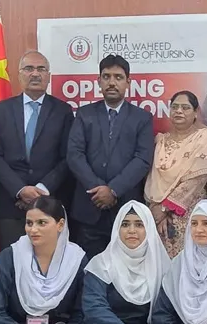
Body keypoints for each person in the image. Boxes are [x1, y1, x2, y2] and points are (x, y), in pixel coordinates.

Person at [67, 54, 155, 256]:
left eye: (118, 77)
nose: (112, 82)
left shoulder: (142, 118)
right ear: (99, 81)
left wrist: (113, 190)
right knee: (89, 268)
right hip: (89, 207)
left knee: (126, 267)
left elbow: (142, 159)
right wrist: (98, 189)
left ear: (128, 82)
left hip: (126, 209)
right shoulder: (84, 114)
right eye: (106, 77)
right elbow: (74, 154)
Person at [0, 50, 75, 247]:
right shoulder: (2, 110)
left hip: (49, 203)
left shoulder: (63, 111)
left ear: (48, 76)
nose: (35, 74)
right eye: (29, 68)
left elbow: (67, 157)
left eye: (41, 69)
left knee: (48, 261)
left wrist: (42, 188)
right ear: (19, 75)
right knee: (13, 261)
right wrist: (19, 189)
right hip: (10, 204)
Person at [145, 90, 207, 257]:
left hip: (189, 214)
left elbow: (198, 178)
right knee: (160, 262)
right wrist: (156, 209)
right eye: (175, 107)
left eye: (185, 108)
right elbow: (152, 178)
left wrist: (165, 208)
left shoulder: (202, 137)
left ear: (195, 112)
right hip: (156, 214)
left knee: (187, 261)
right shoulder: (160, 141)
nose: (179, 111)